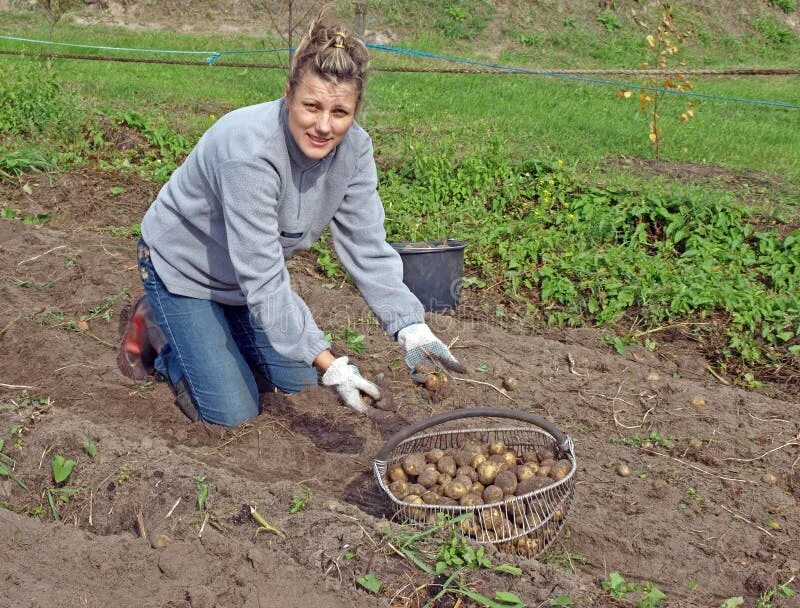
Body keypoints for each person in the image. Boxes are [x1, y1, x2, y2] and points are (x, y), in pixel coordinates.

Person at [118, 15, 465, 427]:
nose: (323, 125)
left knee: (299, 383)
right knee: (234, 414)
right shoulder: (249, 153)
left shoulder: (354, 151)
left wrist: (411, 328)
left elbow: (368, 248)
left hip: (241, 280)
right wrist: (333, 365)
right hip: (184, 268)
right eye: (311, 106)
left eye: (340, 112)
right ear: (288, 95)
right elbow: (264, 279)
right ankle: (162, 333)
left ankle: (218, 329)